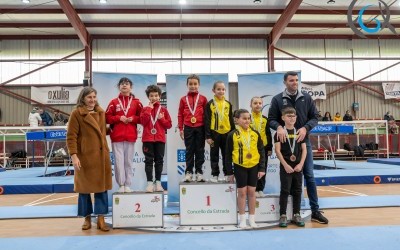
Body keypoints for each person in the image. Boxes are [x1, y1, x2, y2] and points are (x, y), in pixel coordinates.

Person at [268, 71, 329, 224]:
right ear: (285, 82)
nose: (294, 83)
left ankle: (315, 210)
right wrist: (279, 127)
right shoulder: (277, 99)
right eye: (291, 80)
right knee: (287, 183)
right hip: (285, 146)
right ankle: (286, 213)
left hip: (303, 142)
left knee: (309, 175)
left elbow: (315, 117)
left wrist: (305, 128)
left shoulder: (306, 98)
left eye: (296, 80)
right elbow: (271, 120)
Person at [66, 87, 112, 232]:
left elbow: (103, 132)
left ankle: (101, 218)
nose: (92, 100)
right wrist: (74, 156)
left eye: (94, 97)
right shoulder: (76, 114)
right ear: (83, 98)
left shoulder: (101, 112)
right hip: (85, 157)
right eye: (89, 97)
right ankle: (86, 217)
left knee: (101, 188)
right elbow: (71, 137)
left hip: (101, 156)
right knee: (84, 189)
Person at [226, 109, 265, 228]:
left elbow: (261, 151)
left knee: (252, 192)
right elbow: (227, 154)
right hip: (240, 166)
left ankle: (252, 219)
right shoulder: (232, 135)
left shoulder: (255, 134)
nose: (247, 120)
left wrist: (262, 168)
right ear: (237, 120)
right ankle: (242, 219)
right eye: (244, 118)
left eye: (249, 118)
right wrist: (229, 172)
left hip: (254, 166)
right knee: (242, 192)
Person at [106, 77, 143, 193]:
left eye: (127, 84)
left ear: (130, 87)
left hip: (130, 136)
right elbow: (107, 117)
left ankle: (128, 185)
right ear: (119, 87)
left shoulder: (137, 102)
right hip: (117, 137)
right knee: (118, 162)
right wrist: (118, 118)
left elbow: (142, 118)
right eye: (122, 84)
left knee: (128, 162)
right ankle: (121, 184)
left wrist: (133, 119)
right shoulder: (113, 102)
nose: (124, 85)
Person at [274, 107, 306, 227]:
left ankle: (296, 214)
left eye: (293, 116)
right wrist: (285, 165)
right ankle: (283, 215)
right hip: (285, 166)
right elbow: (277, 151)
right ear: (283, 118)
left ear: (296, 118)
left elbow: (304, 150)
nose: (291, 118)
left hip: (298, 166)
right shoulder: (279, 133)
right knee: (285, 190)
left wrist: (301, 164)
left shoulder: (300, 133)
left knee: (297, 190)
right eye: (288, 116)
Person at [140, 85, 172, 192]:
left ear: (159, 96)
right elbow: (143, 122)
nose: (154, 98)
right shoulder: (145, 109)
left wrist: (162, 119)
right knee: (148, 161)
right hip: (147, 139)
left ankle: (158, 183)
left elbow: (169, 125)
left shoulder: (163, 110)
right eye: (151, 96)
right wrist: (149, 109)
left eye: (156, 95)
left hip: (159, 139)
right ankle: (149, 183)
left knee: (159, 161)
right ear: (148, 97)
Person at [178, 74, 208, 182]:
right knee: (189, 150)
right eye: (190, 84)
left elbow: (206, 116)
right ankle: (189, 172)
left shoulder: (203, 99)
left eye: (195, 84)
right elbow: (180, 114)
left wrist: (207, 131)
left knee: (200, 150)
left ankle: (199, 172)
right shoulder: (183, 99)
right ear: (187, 85)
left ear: (199, 85)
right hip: (188, 127)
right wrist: (181, 129)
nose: (193, 86)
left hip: (200, 127)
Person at [205, 81, 235, 183]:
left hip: (227, 133)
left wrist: (233, 133)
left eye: (223, 89)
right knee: (214, 155)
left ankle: (227, 174)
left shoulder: (228, 104)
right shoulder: (210, 104)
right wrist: (208, 136)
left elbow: (231, 119)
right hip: (214, 133)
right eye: (218, 89)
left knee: (227, 155)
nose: (221, 91)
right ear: (213, 91)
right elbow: (207, 120)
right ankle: (215, 174)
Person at [249, 96, 272, 197]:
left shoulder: (265, 119)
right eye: (255, 103)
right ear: (251, 105)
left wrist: (270, 147)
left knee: (262, 169)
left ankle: (260, 189)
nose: (257, 105)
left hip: (263, 148)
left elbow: (268, 133)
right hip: (250, 148)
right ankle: (253, 189)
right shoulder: (247, 118)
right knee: (252, 169)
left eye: (259, 103)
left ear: (262, 105)